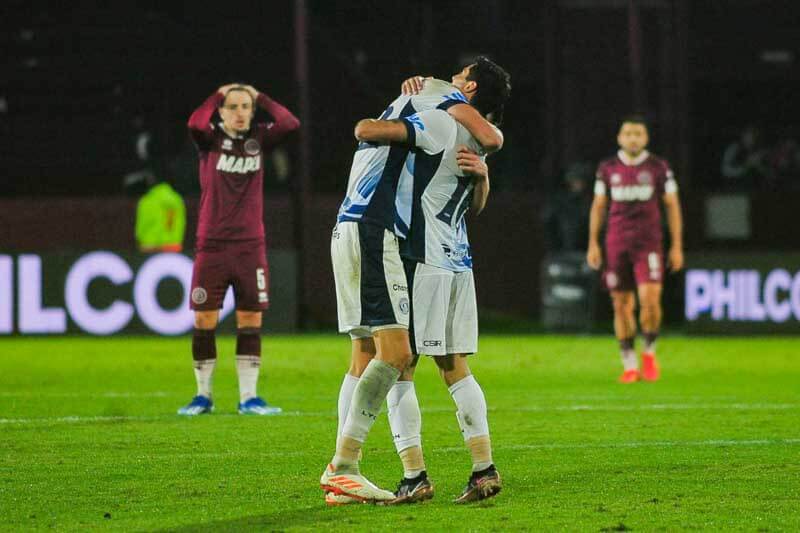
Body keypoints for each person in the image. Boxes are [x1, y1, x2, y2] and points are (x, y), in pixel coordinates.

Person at [321, 58, 509, 505]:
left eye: (458, 75)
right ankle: (483, 467)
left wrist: (424, 98)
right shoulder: (474, 143)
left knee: (393, 361)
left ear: (470, 87)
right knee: (452, 365)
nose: (446, 77)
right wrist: (483, 173)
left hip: (418, 252)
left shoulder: (438, 118)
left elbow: (368, 129)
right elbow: (480, 186)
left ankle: (406, 472)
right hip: (459, 257)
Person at [178, 83, 300, 415]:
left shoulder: (259, 139)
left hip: (250, 247)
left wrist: (262, 98)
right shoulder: (210, 139)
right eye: (232, 106)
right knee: (204, 318)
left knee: (250, 319)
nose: (240, 112)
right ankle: (203, 395)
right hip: (212, 246)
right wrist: (217, 94)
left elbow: (290, 124)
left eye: (246, 106)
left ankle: (249, 397)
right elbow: (193, 124)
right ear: (220, 112)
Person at [586, 115, 683, 383]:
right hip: (617, 244)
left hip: (649, 244)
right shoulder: (607, 168)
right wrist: (593, 243)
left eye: (638, 134)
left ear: (646, 138)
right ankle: (629, 364)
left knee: (650, 301)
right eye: (628, 133)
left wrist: (676, 246)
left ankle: (649, 353)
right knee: (621, 305)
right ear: (619, 137)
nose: (633, 138)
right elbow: (598, 206)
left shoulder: (658, 167)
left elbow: (672, 205)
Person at [132, 172, 186, 253]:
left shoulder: (146, 200)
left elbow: (141, 227)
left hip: (150, 248)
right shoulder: (177, 199)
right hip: (173, 247)